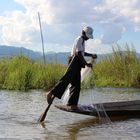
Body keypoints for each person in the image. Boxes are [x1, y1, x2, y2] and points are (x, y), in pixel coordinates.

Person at [46, 26, 97, 110]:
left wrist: (91, 55)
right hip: (74, 61)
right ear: (83, 33)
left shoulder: (82, 41)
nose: (87, 38)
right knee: (66, 79)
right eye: (87, 36)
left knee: (76, 85)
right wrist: (86, 63)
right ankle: (50, 93)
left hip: (77, 63)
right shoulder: (79, 39)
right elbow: (78, 53)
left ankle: (72, 103)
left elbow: (82, 53)